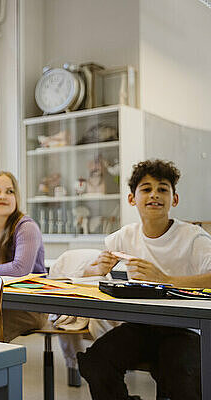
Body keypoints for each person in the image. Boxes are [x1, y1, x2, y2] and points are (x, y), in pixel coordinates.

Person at [77, 159, 211, 400]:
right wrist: (94, 269)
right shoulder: (123, 236)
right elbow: (85, 275)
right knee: (96, 361)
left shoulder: (193, 238)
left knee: (180, 373)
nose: (154, 195)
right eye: (146, 189)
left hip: (184, 330)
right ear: (132, 199)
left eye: (162, 189)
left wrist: (166, 280)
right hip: (142, 326)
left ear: (174, 199)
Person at [0, 171, 47, 341]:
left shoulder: (27, 227)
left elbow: (21, 269)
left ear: (17, 199)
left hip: (29, 306)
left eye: (10, 191)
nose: (3, 196)